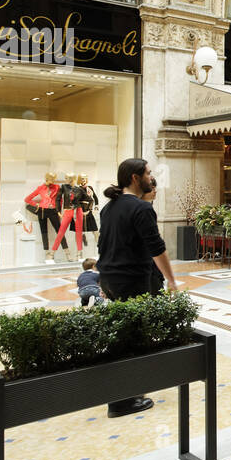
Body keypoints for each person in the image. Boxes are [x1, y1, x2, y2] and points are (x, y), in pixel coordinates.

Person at [97, 158, 178, 417]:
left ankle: (123, 393)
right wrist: (172, 281)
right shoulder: (140, 209)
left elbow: (104, 247)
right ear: (135, 177)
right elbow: (156, 247)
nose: (150, 177)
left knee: (121, 336)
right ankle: (122, 401)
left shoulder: (110, 208)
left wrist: (102, 280)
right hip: (131, 280)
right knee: (131, 338)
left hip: (112, 279)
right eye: (147, 173)